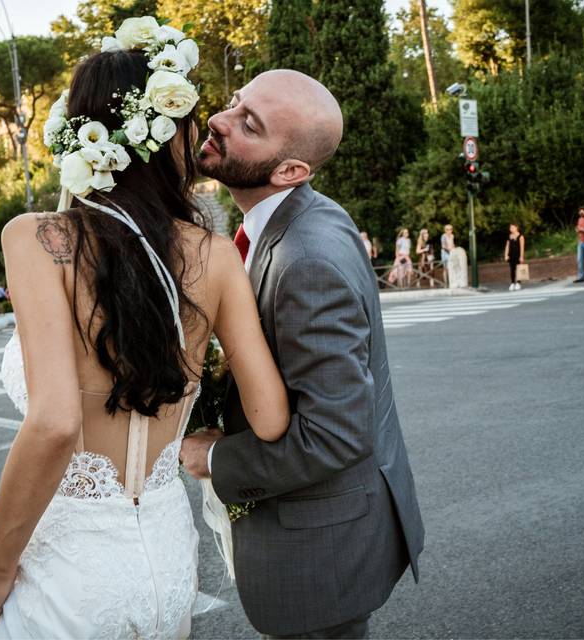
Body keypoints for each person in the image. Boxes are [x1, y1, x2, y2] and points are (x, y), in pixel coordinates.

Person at [0, 20, 290, 638]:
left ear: (78, 139)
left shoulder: (39, 240)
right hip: (169, 566)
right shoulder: (216, 254)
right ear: (171, 136)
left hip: (71, 569)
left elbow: (57, 422)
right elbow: (272, 417)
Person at [180, 68, 423, 639]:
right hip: (332, 532)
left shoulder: (305, 258)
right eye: (234, 103)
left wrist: (214, 461)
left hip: (322, 553)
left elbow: (336, 433)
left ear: (290, 171)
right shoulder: (294, 220)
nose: (219, 120)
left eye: (249, 124)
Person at [504, 223, 525, 291]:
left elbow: (522, 247)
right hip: (511, 255)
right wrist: (506, 255)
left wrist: (521, 256)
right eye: (510, 228)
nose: (511, 229)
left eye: (512, 227)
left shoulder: (520, 236)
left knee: (518, 269)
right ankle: (512, 283)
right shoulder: (509, 236)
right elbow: (507, 246)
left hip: (518, 255)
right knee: (512, 269)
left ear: (516, 228)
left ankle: (518, 283)